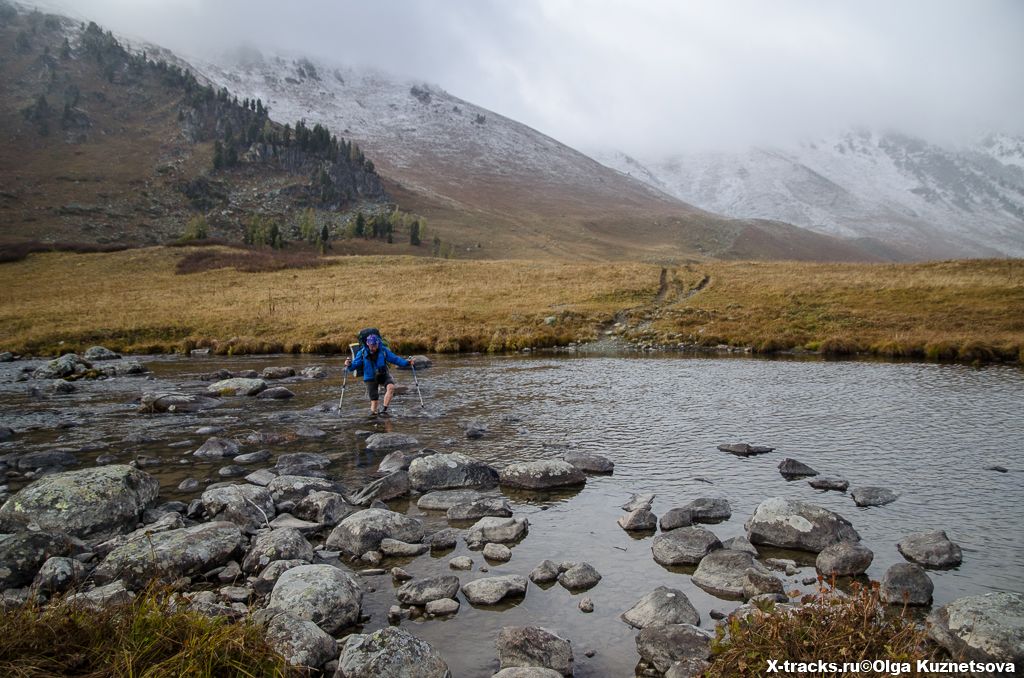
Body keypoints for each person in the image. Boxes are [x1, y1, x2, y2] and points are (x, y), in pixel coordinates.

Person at [344, 334, 411, 417]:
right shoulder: (362, 353)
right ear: (367, 344)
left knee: (391, 387)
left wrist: (407, 363)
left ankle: (384, 410)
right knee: (374, 401)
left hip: (383, 374)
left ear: (378, 343)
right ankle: (374, 417)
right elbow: (354, 366)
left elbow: (395, 359)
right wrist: (349, 364)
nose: (373, 348)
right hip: (370, 377)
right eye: (371, 345)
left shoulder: (383, 350)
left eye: (375, 345)